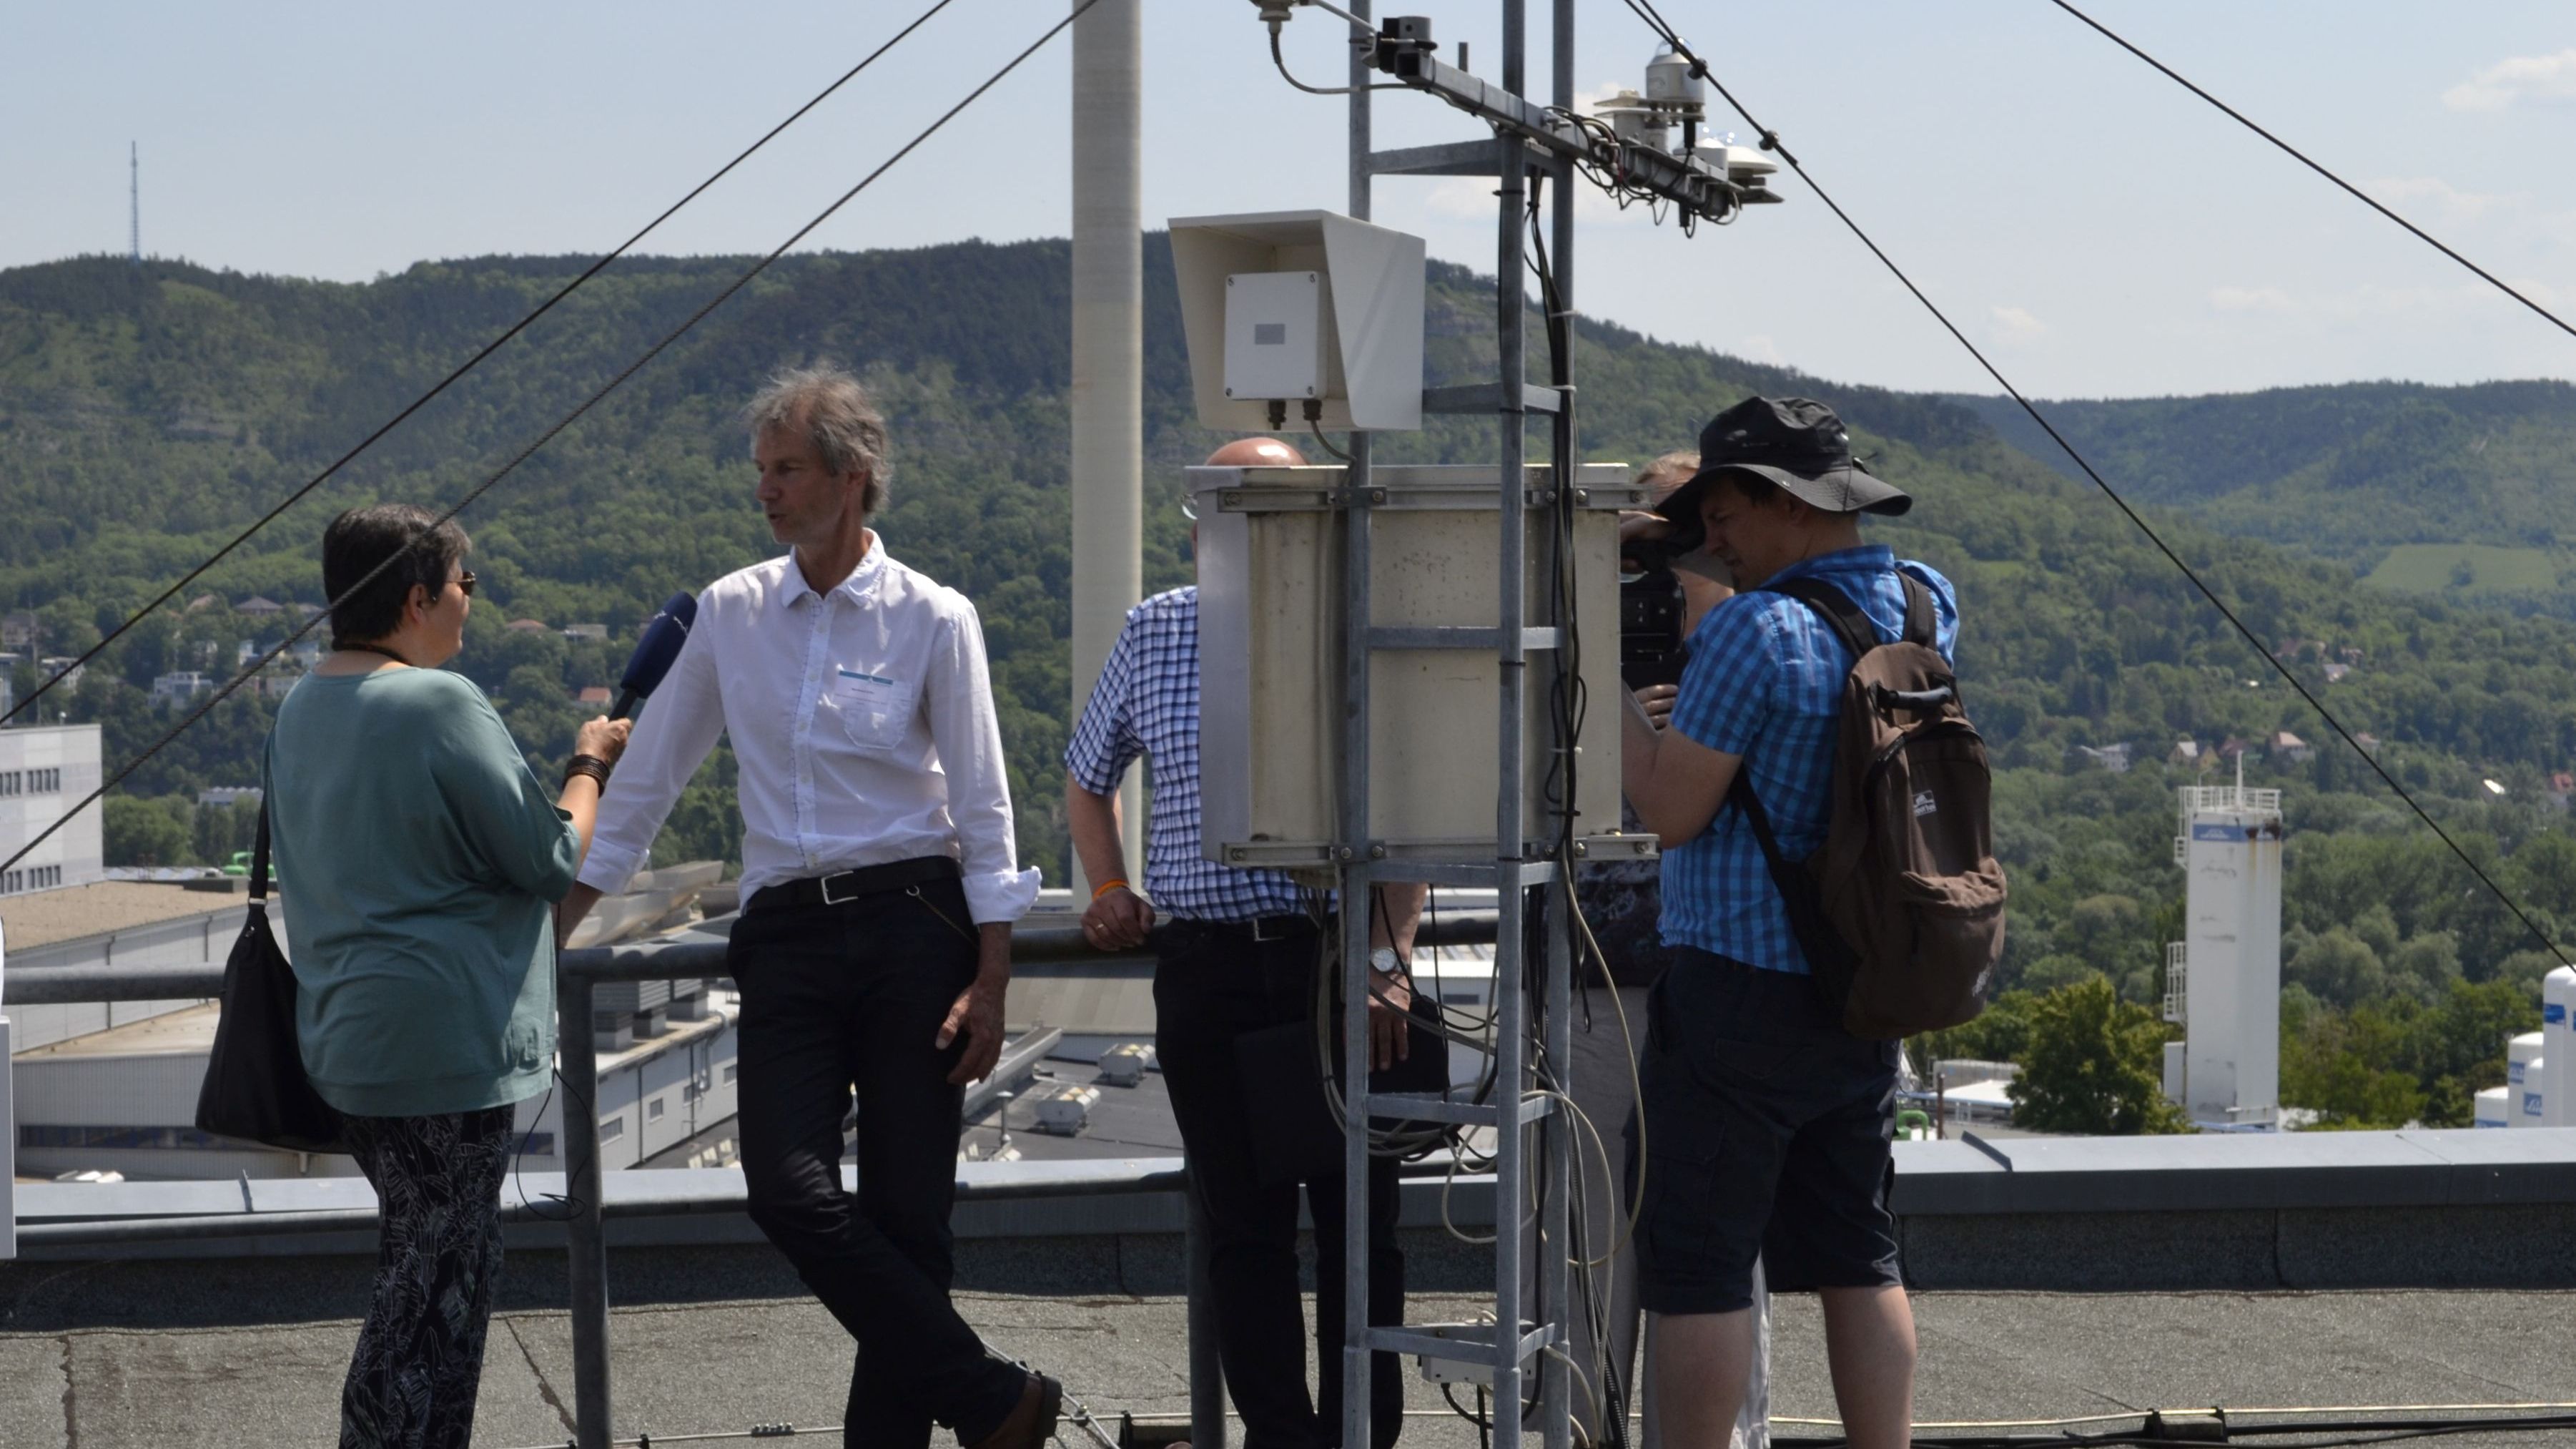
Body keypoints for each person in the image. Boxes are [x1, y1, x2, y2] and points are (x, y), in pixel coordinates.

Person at [556, 366, 1057, 1449]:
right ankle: (992, 1399)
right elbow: (644, 793)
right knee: (785, 1189)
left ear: (852, 477)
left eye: (786, 469)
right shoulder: (732, 613)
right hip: (785, 933)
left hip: (915, 925)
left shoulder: (935, 617)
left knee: (909, 1220)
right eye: (762, 471)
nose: (766, 491)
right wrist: (552, 921)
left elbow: (983, 805)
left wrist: (993, 971)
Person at [1065, 436, 1426, 1449]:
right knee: (1245, 1230)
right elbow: (1086, 774)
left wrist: (1387, 963)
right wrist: (1106, 885)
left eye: (1273, 504)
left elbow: (1411, 818)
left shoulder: (1358, 628)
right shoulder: (1155, 630)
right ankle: (1282, 1436)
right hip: (1206, 966)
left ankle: (1366, 1435)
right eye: (1228, 506)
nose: (1250, 525)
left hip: (1331, 965)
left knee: (1363, 1223)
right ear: (1198, 528)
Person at [1618, 397, 1957, 1449]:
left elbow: (1673, 812)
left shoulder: (1755, 632)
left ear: (1785, 505)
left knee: (1703, 1265)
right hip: (1864, 978)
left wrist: (1606, 697)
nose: (1712, 542)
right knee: (1860, 1250)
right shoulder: (1922, 600)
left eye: (1722, 516)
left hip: (1735, 988)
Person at [267, 503, 630, 1449]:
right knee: (435, 1283)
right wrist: (588, 767)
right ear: (417, 597)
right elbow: (550, 856)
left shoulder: (304, 703)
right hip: (445, 1044)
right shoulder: (439, 703)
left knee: (436, 1264)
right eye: (465, 583)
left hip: (347, 1041)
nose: (470, 602)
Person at [1567, 451, 1772, 1449]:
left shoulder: (1761, 634)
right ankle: (1578, 1423)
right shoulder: (1583, 626)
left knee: (1715, 1248)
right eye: (1657, 525)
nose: (1675, 545)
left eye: (1697, 526)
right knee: (1588, 1235)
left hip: (1723, 974)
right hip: (1596, 966)